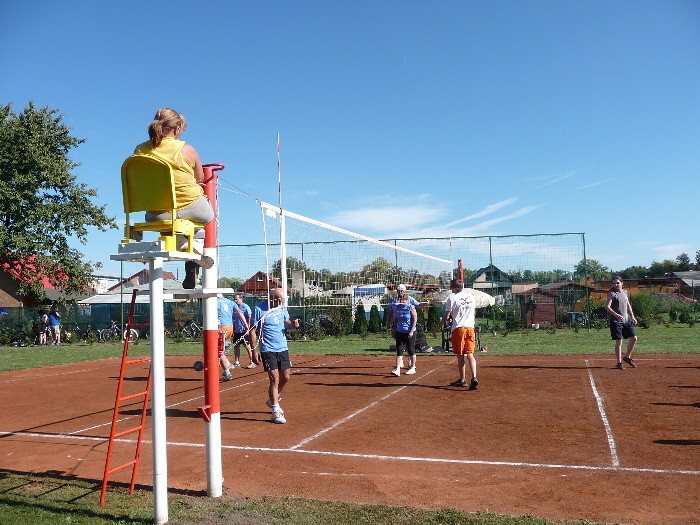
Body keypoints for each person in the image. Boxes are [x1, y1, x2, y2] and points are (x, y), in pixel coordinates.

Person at [134, 108, 215, 289]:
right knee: (205, 217)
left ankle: (187, 249)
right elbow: (200, 178)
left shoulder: (139, 150)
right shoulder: (187, 149)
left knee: (171, 223)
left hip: (156, 214)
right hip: (191, 207)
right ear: (177, 129)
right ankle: (194, 253)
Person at [249, 287, 299, 424]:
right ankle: (275, 411)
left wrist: (293, 325)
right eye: (276, 298)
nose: (278, 301)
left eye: (280, 299)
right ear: (269, 297)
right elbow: (252, 331)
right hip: (267, 349)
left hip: (282, 348)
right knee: (274, 378)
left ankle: (273, 399)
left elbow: (286, 323)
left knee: (286, 377)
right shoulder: (258, 309)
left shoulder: (282, 308)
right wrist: (254, 351)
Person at [433, 279, 478, 390]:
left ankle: (462, 380)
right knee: (470, 354)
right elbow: (474, 312)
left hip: (459, 329)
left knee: (461, 355)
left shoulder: (452, 298)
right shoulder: (471, 297)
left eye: (452, 287)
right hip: (470, 328)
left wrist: (436, 328)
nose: (451, 290)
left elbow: (446, 316)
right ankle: (474, 377)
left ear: (456, 288)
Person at [605, 277, 638, 369]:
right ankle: (619, 363)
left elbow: (628, 305)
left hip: (626, 320)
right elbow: (607, 307)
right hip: (616, 321)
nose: (615, 285)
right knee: (619, 341)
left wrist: (633, 317)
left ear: (622, 283)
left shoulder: (625, 292)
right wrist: (616, 315)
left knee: (634, 338)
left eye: (617, 283)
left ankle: (627, 357)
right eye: (613, 283)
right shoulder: (611, 293)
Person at [387, 284, 422, 369]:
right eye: (399, 290)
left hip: (408, 325)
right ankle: (400, 360)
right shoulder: (394, 300)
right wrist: (388, 323)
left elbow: (418, 305)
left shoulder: (409, 299)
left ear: (405, 291)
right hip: (398, 323)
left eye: (402, 291)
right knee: (399, 344)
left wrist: (426, 302)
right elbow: (390, 312)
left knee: (409, 346)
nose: (400, 292)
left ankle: (411, 361)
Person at [217, 296, 250, 381]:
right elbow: (239, 312)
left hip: (220, 327)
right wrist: (246, 325)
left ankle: (227, 371)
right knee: (220, 349)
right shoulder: (230, 302)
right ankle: (227, 364)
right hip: (229, 328)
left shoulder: (214, 301)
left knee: (218, 351)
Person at [232, 293, 257, 368]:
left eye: (237, 299)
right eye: (234, 299)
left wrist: (248, 329)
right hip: (237, 330)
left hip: (244, 330)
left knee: (247, 346)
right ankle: (237, 362)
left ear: (241, 298)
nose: (235, 301)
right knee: (236, 346)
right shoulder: (235, 308)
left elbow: (249, 317)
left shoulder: (245, 307)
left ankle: (252, 362)